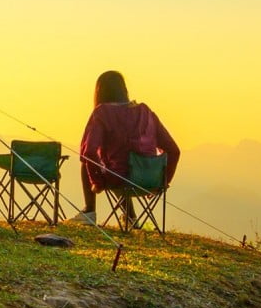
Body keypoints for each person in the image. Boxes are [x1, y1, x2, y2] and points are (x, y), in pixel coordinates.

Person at [70, 70, 180, 225]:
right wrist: (163, 182)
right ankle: (130, 217)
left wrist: (97, 182)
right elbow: (174, 150)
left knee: (89, 163)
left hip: (120, 178)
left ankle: (89, 211)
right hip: (150, 179)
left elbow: (88, 153)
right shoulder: (145, 111)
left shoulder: (102, 112)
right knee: (123, 168)